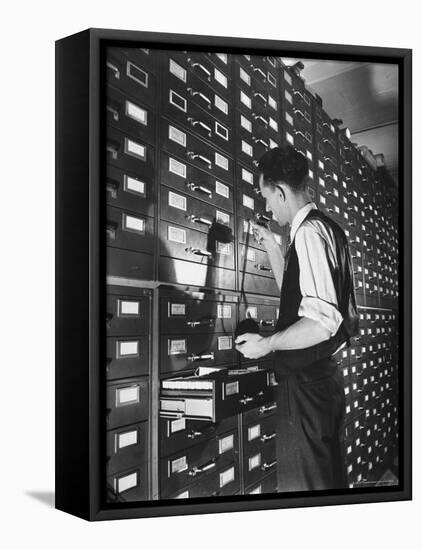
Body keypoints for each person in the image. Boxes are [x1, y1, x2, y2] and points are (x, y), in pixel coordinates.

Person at [235, 146, 359, 492]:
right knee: (325, 482)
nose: (268, 207)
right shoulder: (327, 230)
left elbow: (320, 322)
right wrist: (273, 247)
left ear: (280, 191)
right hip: (322, 382)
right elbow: (300, 294)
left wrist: (266, 344)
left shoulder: (308, 233)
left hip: (304, 388)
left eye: (266, 197)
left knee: (305, 491)